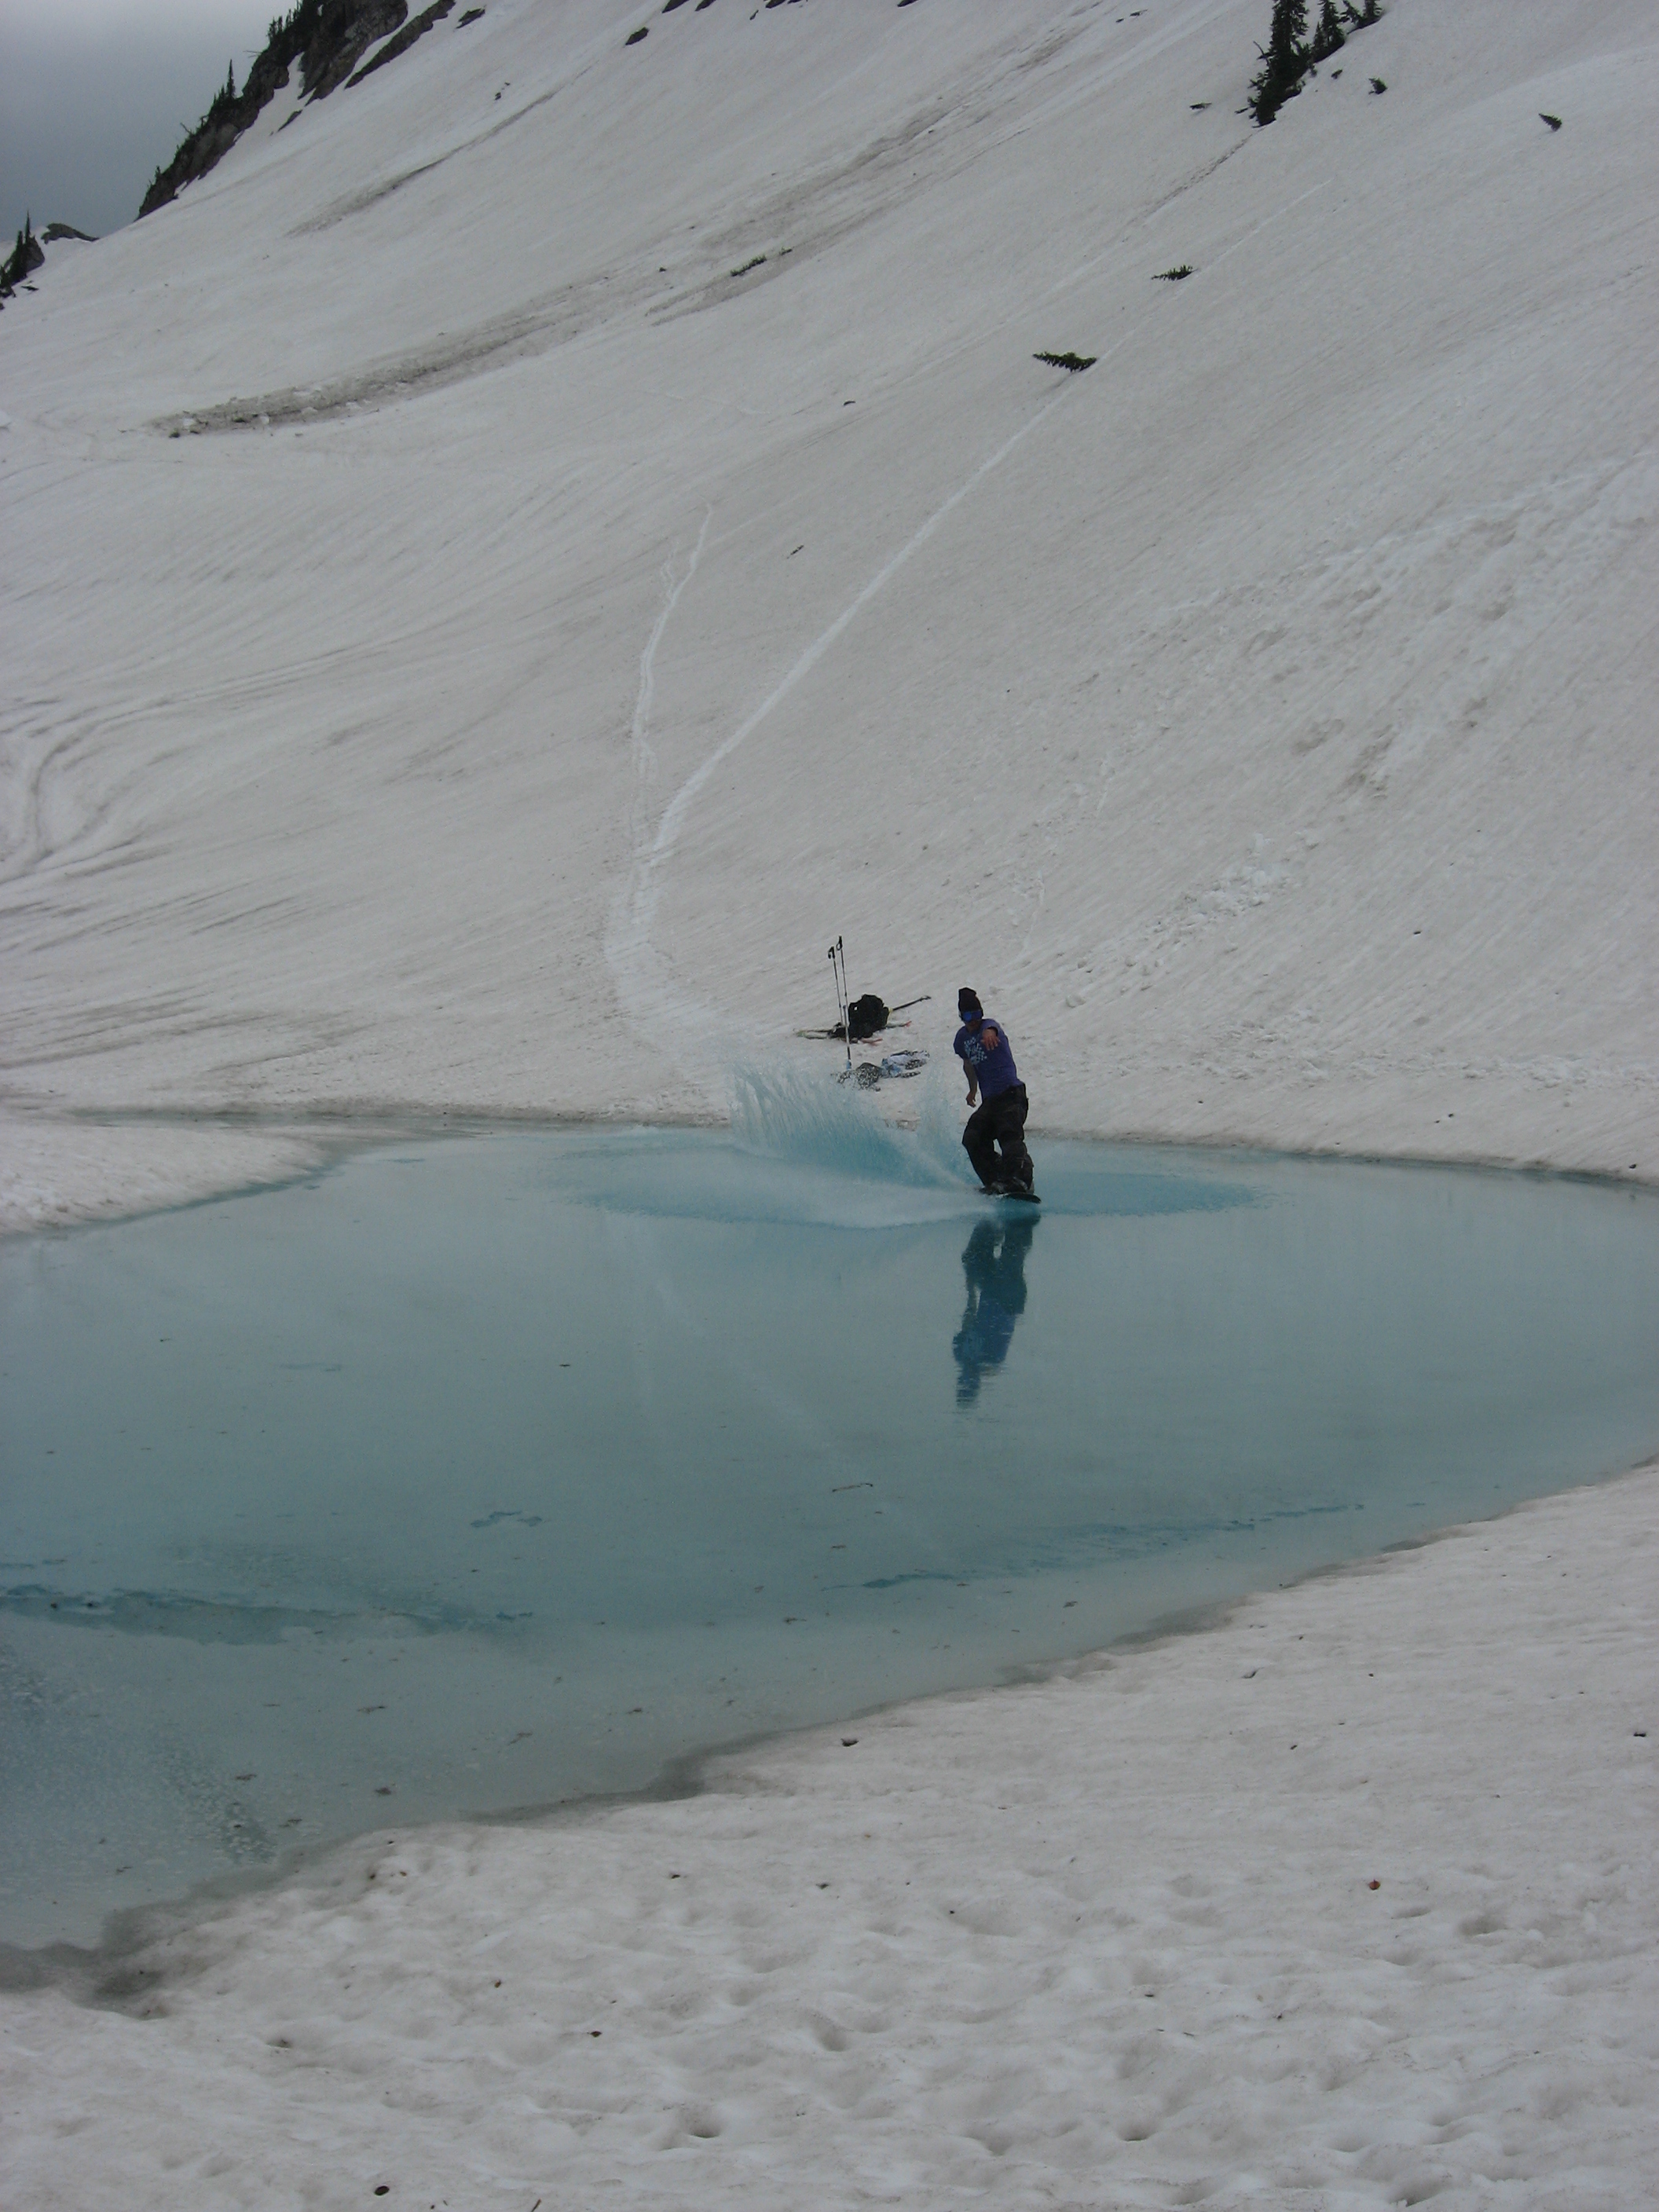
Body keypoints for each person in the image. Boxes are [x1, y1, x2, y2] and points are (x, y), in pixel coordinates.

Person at [952, 987, 1035, 1195]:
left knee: (1009, 1135)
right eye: (968, 1016)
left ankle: (1021, 1179)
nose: (974, 1020)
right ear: (961, 1017)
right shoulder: (961, 1039)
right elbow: (968, 1065)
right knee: (972, 1137)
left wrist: (989, 1033)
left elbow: (992, 1028)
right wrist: (972, 1090)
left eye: (977, 1014)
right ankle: (996, 1178)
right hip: (990, 1101)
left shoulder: (989, 1026)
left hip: (1011, 1094)